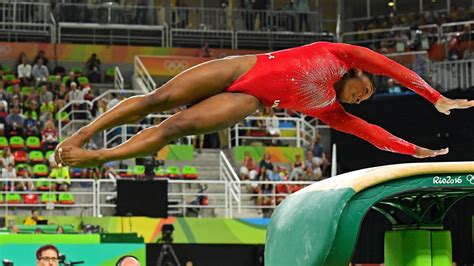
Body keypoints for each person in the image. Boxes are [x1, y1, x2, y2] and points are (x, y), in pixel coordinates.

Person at [55, 42, 474, 167]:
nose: (360, 98)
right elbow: (393, 68)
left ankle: (99, 156)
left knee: (176, 127)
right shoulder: (343, 55)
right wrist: (436, 99)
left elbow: (371, 134)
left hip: (249, 97)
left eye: (363, 101)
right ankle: (84, 131)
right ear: (358, 76)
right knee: (158, 98)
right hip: (242, 65)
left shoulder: (329, 110)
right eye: (363, 90)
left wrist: (413, 150)